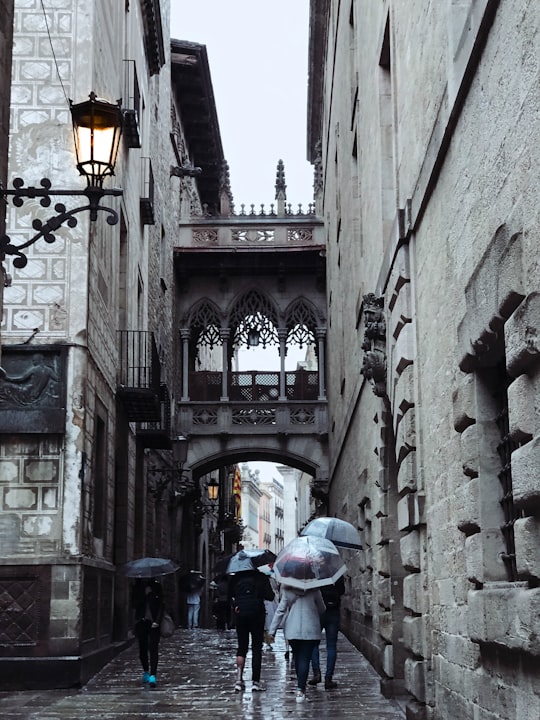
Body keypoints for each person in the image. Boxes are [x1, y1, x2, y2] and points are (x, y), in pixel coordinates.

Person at [267, 585, 326, 702]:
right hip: (310, 629)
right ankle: (301, 689)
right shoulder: (314, 590)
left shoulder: (288, 590)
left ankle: (301, 687)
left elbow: (280, 610)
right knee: (304, 658)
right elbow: (322, 609)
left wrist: (272, 631)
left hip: (292, 629)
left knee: (298, 657)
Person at [228, 569, 275, 692]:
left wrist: (236, 605)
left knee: (241, 647)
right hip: (257, 616)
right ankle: (255, 682)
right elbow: (271, 596)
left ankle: (239, 680)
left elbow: (229, 596)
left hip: (241, 616)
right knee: (256, 649)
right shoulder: (261, 577)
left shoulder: (236, 577)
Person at [307, 575, 345, 689]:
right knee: (331, 645)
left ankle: (316, 674)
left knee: (314, 644)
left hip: (318, 611)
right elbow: (342, 590)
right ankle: (329, 678)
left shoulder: (313, 573)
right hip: (333, 611)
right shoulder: (335, 571)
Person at [131, 578, 164, 688]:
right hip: (141, 622)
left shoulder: (157, 587)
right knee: (142, 649)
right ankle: (146, 670)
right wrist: (144, 595)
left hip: (154, 623)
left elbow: (161, 605)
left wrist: (157, 621)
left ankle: (153, 675)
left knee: (153, 647)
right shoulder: (137, 587)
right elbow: (133, 604)